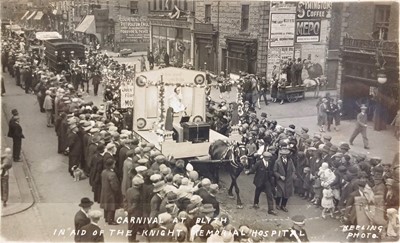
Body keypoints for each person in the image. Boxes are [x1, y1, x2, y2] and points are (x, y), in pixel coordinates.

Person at [100, 158, 121, 225]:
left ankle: (106, 218)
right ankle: (111, 220)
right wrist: (117, 191)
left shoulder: (104, 172)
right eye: (114, 164)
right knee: (112, 207)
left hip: (105, 191)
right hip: (111, 192)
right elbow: (114, 186)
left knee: (106, 205)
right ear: (111, 165)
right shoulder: (112, 174)